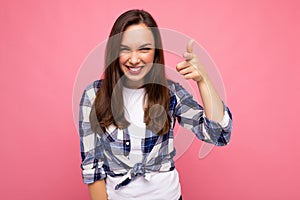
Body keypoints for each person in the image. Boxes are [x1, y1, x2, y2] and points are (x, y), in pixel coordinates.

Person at [79, 9, 232, 200]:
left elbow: (219, 134)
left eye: (144, 49)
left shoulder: (170, 92)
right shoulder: (94, 95)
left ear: (155, 52)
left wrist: (204, 80)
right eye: (125, 49)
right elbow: (92, 167)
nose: (134, 59)